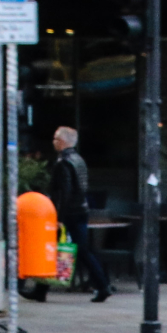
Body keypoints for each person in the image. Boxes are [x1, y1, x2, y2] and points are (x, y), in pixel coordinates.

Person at [49, 126, 110, 302]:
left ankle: (102, 285)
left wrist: (59, 217)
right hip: (81, 209)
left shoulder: (63, 163)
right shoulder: (79, 160)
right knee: (80, 249)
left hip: (69, 212)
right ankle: (102, 285)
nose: (53, 142)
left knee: (57, 248)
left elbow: (65, 191)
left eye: (55, 139)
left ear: (62, 142)